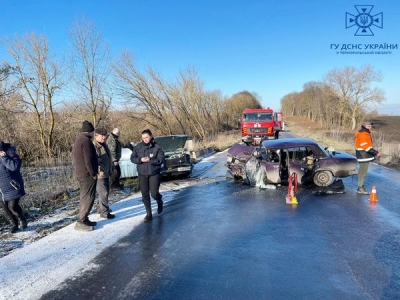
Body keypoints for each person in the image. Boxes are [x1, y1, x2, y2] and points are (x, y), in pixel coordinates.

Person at [130, 129, 165, 222]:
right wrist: (140, 160)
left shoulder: (157, 147)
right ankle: (149, 214)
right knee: (144, 195)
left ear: (151, 136)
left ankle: (159, 200)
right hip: (142, 174)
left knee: (154, 193)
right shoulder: (138, 147)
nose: (145, 139)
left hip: (154, 173)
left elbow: (161, 160)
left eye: (147, 137)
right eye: (143, 138)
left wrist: (150, 160)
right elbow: (132, 158)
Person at [72, 120, 98, 231]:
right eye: (93, 132)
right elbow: (88, 160)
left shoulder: (78, 140)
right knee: (88, 197)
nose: (94, 134)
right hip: (87, 174)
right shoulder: (86, 142)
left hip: (80, 173)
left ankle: (85, 218)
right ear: (90, 131)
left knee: (84, 196)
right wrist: (93, 173)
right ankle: (81, 221)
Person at [0, 141, 27, 233]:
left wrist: (4, 157)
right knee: (6, 209)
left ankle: (22, 219)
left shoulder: (11, 153)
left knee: (12, 207)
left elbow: (15, 166)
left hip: (13, 186)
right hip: (1, 190)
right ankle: (14, 225)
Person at [93, 127, 115, 219]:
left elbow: (108, 157)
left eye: (105, 136)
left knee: (105, 192)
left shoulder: (103, 145)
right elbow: (96, 161)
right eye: (102, 136)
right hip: (100, 174)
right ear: (96, 136)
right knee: (103, 193)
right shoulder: (94, 146)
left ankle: (102, 208)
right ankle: (104, 212)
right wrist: (102, 170)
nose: (104, 137)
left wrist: (111, 167)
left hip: (106, 172)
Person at [355, 121, 382, 194]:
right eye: (368, 126)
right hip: (363, 155)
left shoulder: (363, 133)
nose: (370, 127)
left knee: (362, 171)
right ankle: (360, 188)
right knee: (363, 172)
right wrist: (376, 153)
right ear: (364, 126)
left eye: (370, 126)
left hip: (362, 154)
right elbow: (365, 146)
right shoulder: (364, 134)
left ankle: (360, 187)